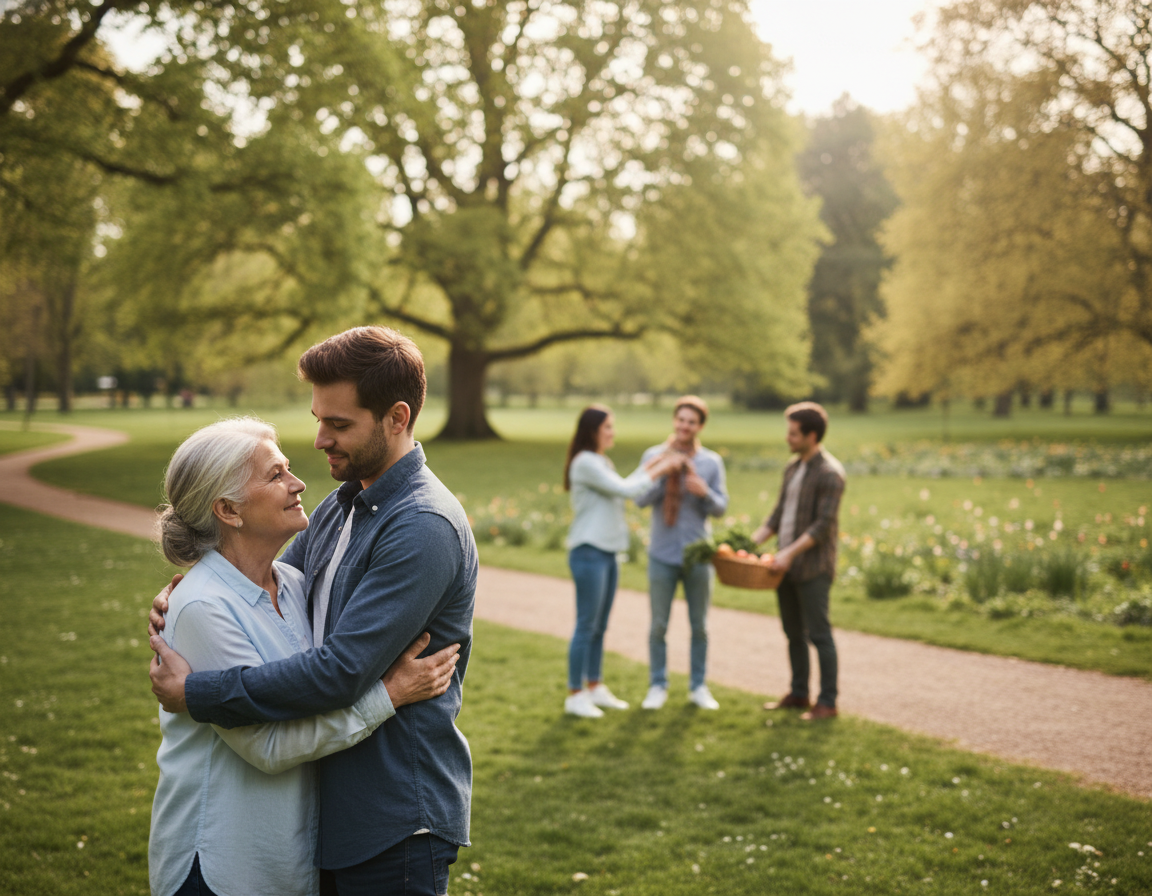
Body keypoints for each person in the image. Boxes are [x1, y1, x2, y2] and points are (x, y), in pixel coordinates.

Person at [149, 326, 478, 896]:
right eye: (319, 419)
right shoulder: (342, 505)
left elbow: (340, 671)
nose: (321, 439)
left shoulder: (421, 525)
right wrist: (184, 595)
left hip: (393, 813)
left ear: (397, 418)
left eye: (340, 424)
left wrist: (197, 693)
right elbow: (259, 581)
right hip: (332, 815)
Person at [562, 405, 682, 718]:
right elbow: (628, 489)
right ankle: (575, 694)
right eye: (608, 428)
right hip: (589, 551)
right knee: (586, 625)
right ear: (593, 431)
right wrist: (662, 468)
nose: (613, 432)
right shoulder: (586, 462)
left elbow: (626, 482)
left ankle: (595, 686)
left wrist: (659, 458)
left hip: (608, 551)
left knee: (600, 626)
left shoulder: (600, 461)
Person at [753, 401, 846, 721]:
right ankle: (798, 693)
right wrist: (746, 545)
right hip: (784, 568)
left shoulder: (830, 474)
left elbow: (822, 527)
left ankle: (828, 702)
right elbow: (777, 516)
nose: (787, 438)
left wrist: (787, 553)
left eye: (793, 433)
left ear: (812, 435)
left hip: (813, 568)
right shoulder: (792, 469)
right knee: (793, 633)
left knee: (819, 634)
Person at [634, 396, 729, 711]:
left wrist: (705, 493)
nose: (684, 426)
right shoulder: (653, 455)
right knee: (658, 625)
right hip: (662, 553)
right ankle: (657, 685)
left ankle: (698, 686)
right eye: (681, 419)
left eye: (691, 421)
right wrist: (662, 474)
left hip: (697, 555)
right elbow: (639, 499)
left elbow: (721, 508)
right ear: (674, 421)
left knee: (699, 625)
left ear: (700, 427)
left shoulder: (711, 463)